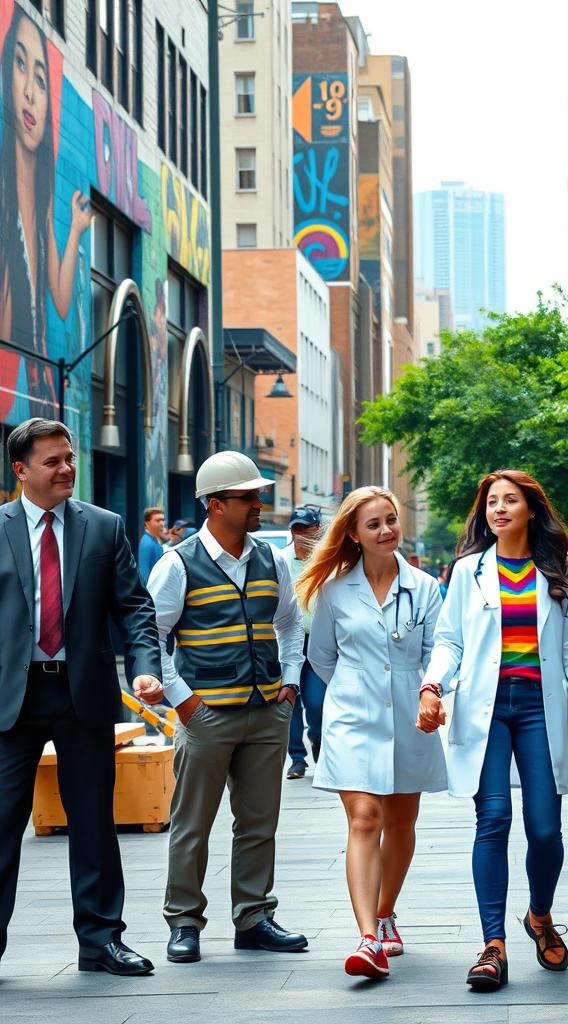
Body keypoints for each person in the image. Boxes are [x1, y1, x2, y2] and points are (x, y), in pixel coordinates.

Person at [417, 470, 568, 991]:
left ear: (531, 510)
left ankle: (539, 916)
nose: (498, 509)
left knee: (544, 826)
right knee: (493, 817)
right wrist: (432, 686)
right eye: (491, 502)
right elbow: (449, 640)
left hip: (544, 707)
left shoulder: (560, 570)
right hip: (485, 707)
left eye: (509, 501)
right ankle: (492, 944)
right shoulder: (469, 570)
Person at [0, 418, 162, 976]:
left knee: (93, 824)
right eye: (53, 462)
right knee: (0, 827)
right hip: (10, 700)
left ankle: (100, 941)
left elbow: (134, 607)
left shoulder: (103, 526)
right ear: (20, 470)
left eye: (70, 458)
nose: (67, 468)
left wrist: (143, 669)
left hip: (83, 695)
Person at [147, 451, 307, 965]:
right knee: (191, 823)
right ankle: (184, 922)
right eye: (247, 496)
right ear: (216, 504)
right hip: (207, 714)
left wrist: (289, 684)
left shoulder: (272, 558)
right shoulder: (178, 562)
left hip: (266, 711)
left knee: (259, 823)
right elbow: (151, 637)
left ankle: (255, 917)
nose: (259, 502)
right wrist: (185, 702)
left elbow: (288, 624)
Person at [296, 487, 446, 980]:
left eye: (390, 521)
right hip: (352, 715)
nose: (386, 531)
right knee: (365, 817)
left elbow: (437, 654)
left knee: (401, 822)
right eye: (373, 524)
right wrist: (355, 686)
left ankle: (385, 914)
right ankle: (367, 938)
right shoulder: (336, 592)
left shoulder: (424, 587)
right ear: (354, 535)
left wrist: (429, 692)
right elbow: (321, 657)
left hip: (410, 713)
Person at [0, 8, 92, 419]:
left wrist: (75, 229)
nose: (32, 92)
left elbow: (59, 297)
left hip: (41, 388)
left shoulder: (42, 204)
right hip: (15, 391)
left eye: (41, 77)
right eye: (20, 64)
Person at [283, 506, 327, 780]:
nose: (300, 535)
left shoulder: (326, 561)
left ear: (317, 531)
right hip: (287, 643)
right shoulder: (280, 560)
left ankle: (318, 739)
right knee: (289, 702)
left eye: (306, 529)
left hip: (317, 643)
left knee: (317, 701)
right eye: (296, 529)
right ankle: (297, 759)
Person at [138, 507, 166, 586]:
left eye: (162, 520)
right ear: (147, 523)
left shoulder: (155, 540)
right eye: (158, 520)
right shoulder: (147, 543)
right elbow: (144, 571)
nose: (162, 523)